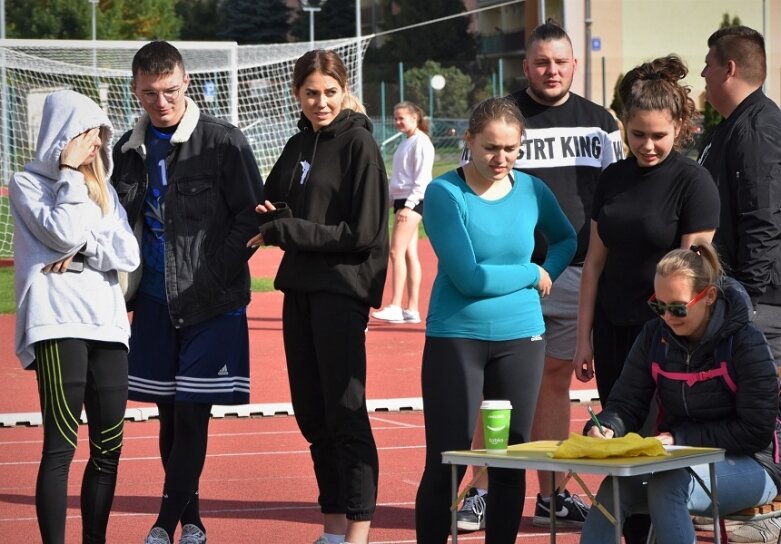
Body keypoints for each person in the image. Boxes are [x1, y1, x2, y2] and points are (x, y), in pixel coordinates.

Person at [456, 20, 624, 533]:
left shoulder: (601, 123)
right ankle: (479, 491)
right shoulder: (499, 118)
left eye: (561, 62)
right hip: (506, 278)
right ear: (525, 67)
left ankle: (551, 496)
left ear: (575, 65)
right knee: (497, 390)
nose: (552, 71)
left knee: (554, 384)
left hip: (574, 275)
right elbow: (467, 188)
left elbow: (616, 197)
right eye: (542, 62)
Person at [110, 41, 263, 544]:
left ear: (186, 84)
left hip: (210, 302)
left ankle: (162, 524)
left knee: (195, 413)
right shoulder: (125, 151)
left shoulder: (223, 141)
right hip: (152, 304)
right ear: (136, 90)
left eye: (170, 90)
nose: (161, 102)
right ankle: (192, 519)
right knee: (169, 416)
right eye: (150, 92)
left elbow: (253, 216)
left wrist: (217, 270)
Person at [415, 96, 577, 543]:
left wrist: (552, 269)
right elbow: (469, 278)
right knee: (448, 462)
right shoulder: (445, 193)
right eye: (490, 147)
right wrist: (533, 272)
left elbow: (565, 238)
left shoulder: (531, 190)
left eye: (510, 148)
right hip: (457, 338)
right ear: (468, 141)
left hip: (521, 338)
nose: (501, 158)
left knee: (510, 461)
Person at [572, 54, 720, 542]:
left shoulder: (693, 182)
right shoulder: (613, 177)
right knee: (619, 448)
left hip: (664, 337)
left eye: (658, 135)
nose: (649, 145)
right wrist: (583, 338)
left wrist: (673, 334)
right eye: (638, 135)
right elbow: (594, 263)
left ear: (679, 126)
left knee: (656, 453)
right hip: (612, 331)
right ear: (624, 128)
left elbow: (692, 276)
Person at [246, 49, 389, 544]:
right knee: (311, 412)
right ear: (297, 94)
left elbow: (364, 231)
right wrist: (273, 213)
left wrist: (289, 228)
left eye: (329, 92)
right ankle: (331, 529)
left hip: (342, 291)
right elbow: (276, 202)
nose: (321, 102)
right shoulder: (297, 143)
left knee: (345, 411)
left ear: (344, 90)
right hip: (301, 290)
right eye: (311, 93)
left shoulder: (360, 145)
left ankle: (358, 532)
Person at [579, 241, 781, 544]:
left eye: (677, 307)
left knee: (668, 485)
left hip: (755, 463)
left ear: (709, 296)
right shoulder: (653, 336)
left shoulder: (745, 342)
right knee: (613, 487)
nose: (667, 316)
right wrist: (607, 426)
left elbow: (756, 431)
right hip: (677, 460)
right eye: (658, 306)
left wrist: (679, 438)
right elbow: (626, 402)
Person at [9, 89, 140, 543]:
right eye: (88, 135)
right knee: (60, 448)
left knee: (109, 451)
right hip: (57, 322)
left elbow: (127, 252)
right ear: (64, 137)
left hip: (107, 324)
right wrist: (67, 173)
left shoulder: (101, 189)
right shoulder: (26, 184)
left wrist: (83, 248)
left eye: (100, 136)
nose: (97, 145)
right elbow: (62, 229)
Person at [698, 24, 781, 544]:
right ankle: (758, 503)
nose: (703, 75)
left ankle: (768, 507)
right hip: (747, 297)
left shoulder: (755, 130)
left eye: (707, 65)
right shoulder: (733, 125)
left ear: (730, 68)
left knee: (760, 403)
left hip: (763, 302)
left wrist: (746, 301)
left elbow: (763, 218)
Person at [371, 101, 434, 325]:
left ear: (415, 118)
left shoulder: (421, 143)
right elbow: (398, 179)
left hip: (413, 202)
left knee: (396, 252)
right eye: (395, 118)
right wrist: (388, 202)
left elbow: (422, 179)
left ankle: (396, 305)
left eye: (401, 118)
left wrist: (408, 205)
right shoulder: (405, 143)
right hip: (401, 201)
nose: (397, 122)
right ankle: (412, 309)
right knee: (408, 254)